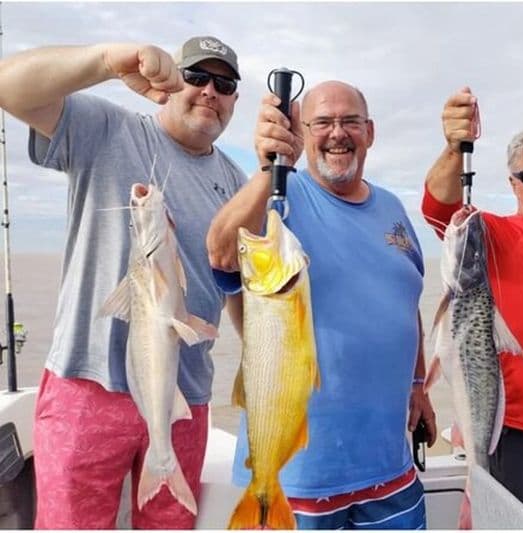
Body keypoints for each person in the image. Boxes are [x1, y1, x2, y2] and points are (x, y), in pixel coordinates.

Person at [0, 36, 247, 528]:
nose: (209, 92)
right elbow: (10, 89)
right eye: (197, 77)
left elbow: (239, 286)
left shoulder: (237, 183)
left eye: (225, 84)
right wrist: (107, 61)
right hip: (85, 388)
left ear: (235, 99)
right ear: (173, 82)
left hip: (186, 398)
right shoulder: (108, 128)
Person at [206, 80, 437, 529]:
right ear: (302, 132)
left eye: (350, 121)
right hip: (301, 483)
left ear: (369, 131)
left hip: (392, 474)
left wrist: (417, 382)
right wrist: (270, 167)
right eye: (323, 123)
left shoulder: (391, 207)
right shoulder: (280, 197)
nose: (337, 133)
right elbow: (220, 251)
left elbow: (406, 302)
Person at [420, 87, 523, 529]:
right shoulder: (491, 235)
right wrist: (456, 147)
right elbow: (437, 208)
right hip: (519, 441)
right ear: (513, 185)